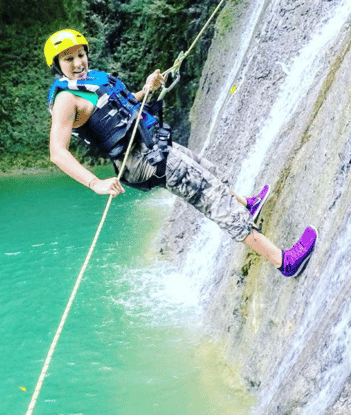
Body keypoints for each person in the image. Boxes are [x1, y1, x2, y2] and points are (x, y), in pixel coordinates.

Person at [45, 29, 315, 277]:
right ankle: (284, 261)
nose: (78, 63)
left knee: (207, 172)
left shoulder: (92, 82)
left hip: (150, 142)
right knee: (212, 196)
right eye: (68, 59)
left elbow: (123, 103)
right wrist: (95, 183)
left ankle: (248, 205)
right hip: (143, 158)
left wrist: (147, 88)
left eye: (80, 54)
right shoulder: (65, 100)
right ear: (57, 65)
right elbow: (57, 152)